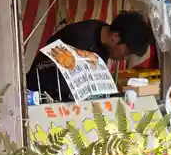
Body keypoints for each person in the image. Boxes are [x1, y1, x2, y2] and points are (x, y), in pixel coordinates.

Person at [25, 11, 155, 102]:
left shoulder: (104, 39)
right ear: (115, 36)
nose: (125, 58)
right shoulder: (80, 38)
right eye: (126, 52)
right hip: (34, 95)